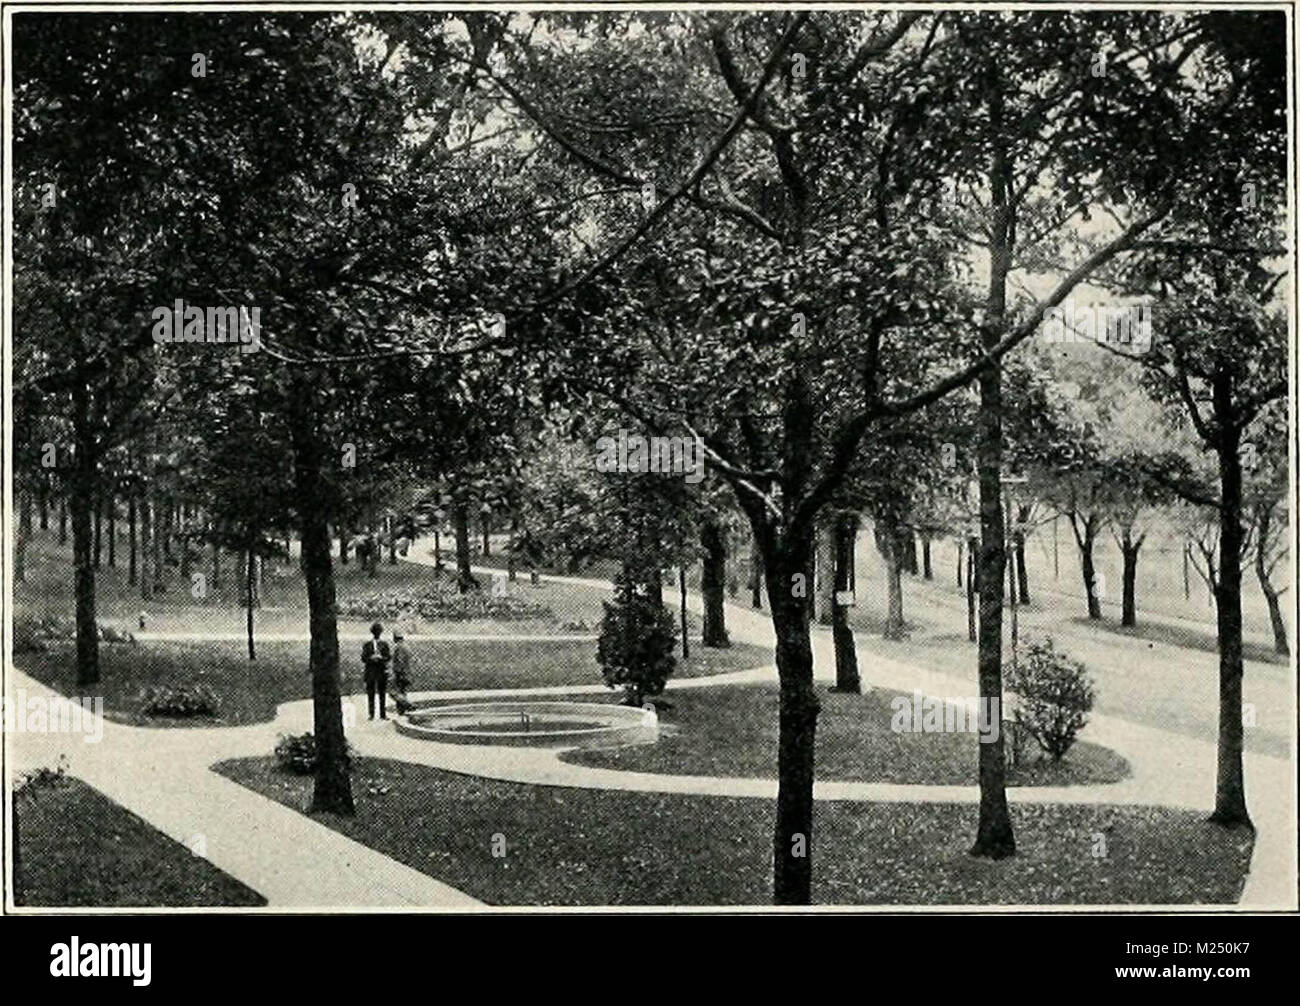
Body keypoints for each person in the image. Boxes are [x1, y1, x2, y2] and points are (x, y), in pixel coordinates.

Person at [361, 622, 392, 720]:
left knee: (382, 694)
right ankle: (371, 714)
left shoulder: (384, 644)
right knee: (371, 694)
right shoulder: (367, 645)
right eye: (375, 632)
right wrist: (371, 658)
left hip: (381, 672)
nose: (377, 633)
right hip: (370, 672)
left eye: (378, 632)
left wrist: (381, 658)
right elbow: (363, 658)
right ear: (373, 632)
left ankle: (383, 714)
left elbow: (388, 657)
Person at [390, 631, 413, 714]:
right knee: (402, 692)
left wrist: (397, 673)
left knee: (393, 692)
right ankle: (401, 711)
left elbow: (400, 661)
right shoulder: (406, 646)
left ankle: (408, 705)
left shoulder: (398, 647)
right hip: (407, 673)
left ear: (395, 638)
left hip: (401, 674)